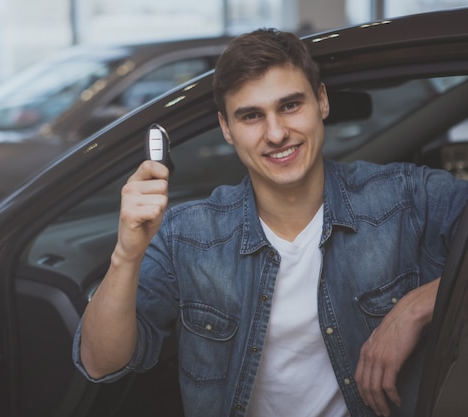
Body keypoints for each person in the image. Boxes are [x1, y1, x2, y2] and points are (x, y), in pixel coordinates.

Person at [72, 28, 468, 417]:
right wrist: (126, 255)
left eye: (290, 105)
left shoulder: (405, 197)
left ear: (322, 101)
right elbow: (100, 362)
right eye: (251, 116)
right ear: (226, 128)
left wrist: (420, 305)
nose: (276, 133)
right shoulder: (188, 236)